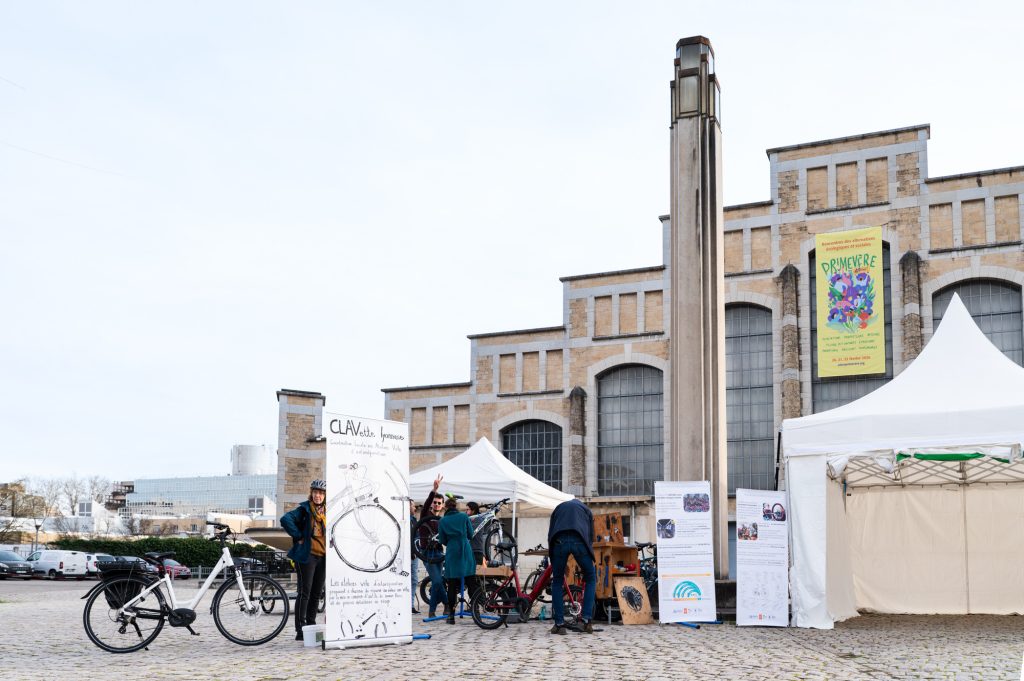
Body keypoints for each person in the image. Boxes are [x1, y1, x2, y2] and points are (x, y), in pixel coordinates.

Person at [280, 478, 328, 641]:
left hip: (323, 557)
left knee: (316, 594)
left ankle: (311, 626)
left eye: (321, 493)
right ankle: (300, 629)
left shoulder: (327, 512)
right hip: (307, 556)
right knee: (304, 593)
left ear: (325, 496)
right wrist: (298, 536)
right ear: (311, 493)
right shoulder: (305, 509)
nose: (317, 496)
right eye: (315, 492)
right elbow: (285, 519)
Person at [547, 497, 597, 634]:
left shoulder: (559, 508)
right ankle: (586, 621)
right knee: (591, 577)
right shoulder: (586, 509)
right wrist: (588, 554)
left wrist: (553, 554)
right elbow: (591, 535)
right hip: (579, 541)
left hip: (559, 541)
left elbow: (551, 532)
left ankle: (559, 624)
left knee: (557, 581)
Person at [436, 495, 478, 624]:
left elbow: (442, 540)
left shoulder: (442, 521)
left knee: (452, 584)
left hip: (452, 551)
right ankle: (476, 612)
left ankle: (451, 616)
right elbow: (471, 534)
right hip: (465, 549)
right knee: (471, 582)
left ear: (446, 507)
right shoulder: (464, 516)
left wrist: (451, 541)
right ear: (456, 506)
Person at [418, 474, 448, 617]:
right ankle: (447, 604)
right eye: (435, 502)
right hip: (427, 553)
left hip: (439, 553)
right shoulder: (425, 515)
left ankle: (431, 611)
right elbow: (426, 504)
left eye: (439, 503)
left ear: (442, 505)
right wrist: (434, 490)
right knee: (436, 581)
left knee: (438, 582)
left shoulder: (442, 520)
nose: (436, 504)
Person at [466, 501, 486, 565]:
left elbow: (469, 531)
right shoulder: (468, 520)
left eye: (468, 509)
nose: (466, 511)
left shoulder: (479, 520)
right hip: (468, 550)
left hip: (476, 550)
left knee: (476, 570)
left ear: (473, 510)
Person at [409, 500, 420, 614]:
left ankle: (410, 605)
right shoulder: (405, 520)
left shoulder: (413, 519)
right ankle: (408, 605)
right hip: (409, 554)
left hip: (414, 554)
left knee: (414, 580)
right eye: (413, 506)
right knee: (410, 580)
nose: (415, 508)